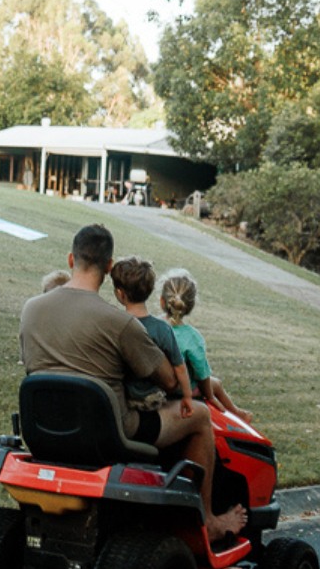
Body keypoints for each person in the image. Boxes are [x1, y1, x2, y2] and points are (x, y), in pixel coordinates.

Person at [19, 224, 247, 541]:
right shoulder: (120, 323)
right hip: (110, 431)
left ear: (71, 259)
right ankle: (207, 519)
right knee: (200, 415)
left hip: (44, 428)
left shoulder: (31, 308)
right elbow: (168, 381)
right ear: (110, 267)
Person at [160, 269, 252, 422]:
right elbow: (202, 374)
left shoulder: (155, 326)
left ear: (162, 301)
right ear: (189, 306)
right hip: (181, 390)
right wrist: (210, 396)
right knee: (215, 384)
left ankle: (238, 413)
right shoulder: (192, 337)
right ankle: (237, 414)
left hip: (159, 384)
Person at [109, 256, 193, 416]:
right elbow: (180, 367)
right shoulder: (162, 329)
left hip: (122, 398)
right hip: (152, 400)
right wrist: (187, 396)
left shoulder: (115, 324)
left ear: (120, 294)